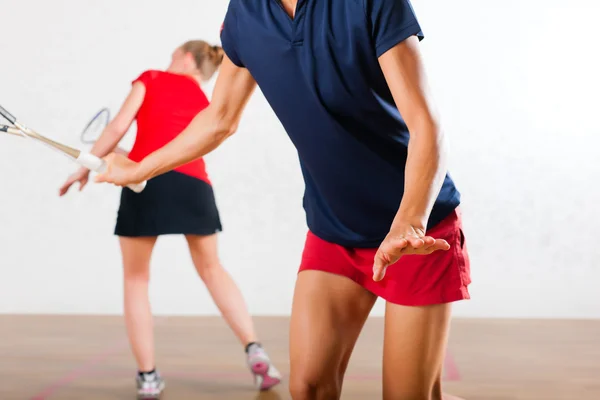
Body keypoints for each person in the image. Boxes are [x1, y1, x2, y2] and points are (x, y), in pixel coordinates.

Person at [96, 1, 471, 399]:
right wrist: (137, 170)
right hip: (333, 229)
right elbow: (219, 118)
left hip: (415, 233)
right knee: (307, 387)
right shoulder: (246, 13)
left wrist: (410, 220)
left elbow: (426, 123)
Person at [59, 40, 281, 398]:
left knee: (136, 279)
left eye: (173, 55)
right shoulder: (204, 100)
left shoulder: (151, 78)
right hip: (193, 185)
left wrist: (81, 170)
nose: (167, 61)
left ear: (188, 59)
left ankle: (148, 377)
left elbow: (117, 128)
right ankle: (255, 350)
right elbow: (177, 147)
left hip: (144, 183)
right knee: (213, 269)